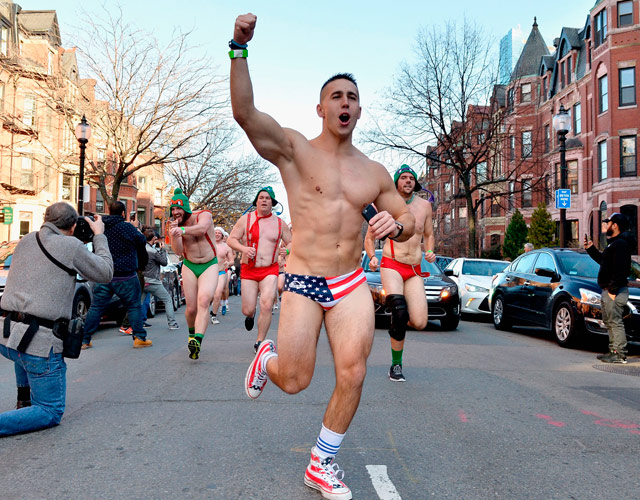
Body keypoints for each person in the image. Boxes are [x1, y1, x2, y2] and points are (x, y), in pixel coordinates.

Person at [231, 13, 415, 500]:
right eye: (337, 95)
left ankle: (320, 464)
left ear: (359, 110)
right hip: (306, 278)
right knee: (295, 380)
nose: (346, 103)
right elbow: (245, 113)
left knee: (353, 372)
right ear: (321, 107)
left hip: (350, 281)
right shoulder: (293, 150)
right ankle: (267, 359)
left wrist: (394, 223)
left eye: (353, 97)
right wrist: (238, 48)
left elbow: (409, 218)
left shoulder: (373, 171)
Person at [0, 202, 112, 436]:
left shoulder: (26, 240)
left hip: (6, 336)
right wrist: (99, 236)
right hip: (39, 343)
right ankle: (27, 407)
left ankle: (24, 400)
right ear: (72, 225)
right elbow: (104, 273)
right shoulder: (70, 246)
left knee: (22, 353)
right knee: (50, 410)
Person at [364, 164, 435, 382]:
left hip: (414, 269)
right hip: (391, 264)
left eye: (411, 178)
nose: (408, 181)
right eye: (403, 178)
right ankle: (396, 365)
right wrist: (372, 256)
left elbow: (429, 235)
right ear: (396, 182)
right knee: (400, 310)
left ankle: (397, 322)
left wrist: (430, 250)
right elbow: (369, 238)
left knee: (421, 322)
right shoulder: (387, 205)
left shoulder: (425, 206)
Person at [227, 187, 292, 352]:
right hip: (249, 269)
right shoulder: (245, 220)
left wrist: (288, 250)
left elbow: (291, 242)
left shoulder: (279, 223)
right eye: (261, 197)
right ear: (256, 201)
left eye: (268, 198)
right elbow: (231, 239)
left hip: (270, 269)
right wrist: (243, 249)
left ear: (273, 203)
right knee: (248, 309)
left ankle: (259, 341)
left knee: (267, 304)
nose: (264, 200)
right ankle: (250, 315)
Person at [82, 201, 152, 349]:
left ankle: (85, 339)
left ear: (109, 210)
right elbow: (142, 241)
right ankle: (139, 337)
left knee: (96, 307)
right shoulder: (127, 227)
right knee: (133, 306)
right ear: (123, 213)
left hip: (104, 274)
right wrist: (136, 228)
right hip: (126, 275)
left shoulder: (100, 227)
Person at [168, 188, 218, 360]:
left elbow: (202, 229)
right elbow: (179, 251)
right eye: (173, 209)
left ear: (186, 208)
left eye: (178, 209)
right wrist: (174, 234)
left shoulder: (203, 215)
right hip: (189, 265)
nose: (175, 213)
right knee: (191, 309)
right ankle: (191, 334)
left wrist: (182, 231)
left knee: (204, 300)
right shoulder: (176, 226)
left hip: (209, 264)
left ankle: (197, 340)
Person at [585, 213, 633, 364]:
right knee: (610, 321)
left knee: (615, 321)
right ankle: (613, 351)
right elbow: (604, 262)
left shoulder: (621, 244)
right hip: (609, 290)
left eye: (608, 222)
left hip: (615, 291)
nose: (606, 225)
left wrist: (612, 291)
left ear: (615, 225)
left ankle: (619, 354)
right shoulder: (614, 244)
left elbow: (621, 270)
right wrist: (591, 249)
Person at [142, 229, 180, 330]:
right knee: (167, 299)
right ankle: (172, 323)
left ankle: (134, 324)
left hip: (142, 280)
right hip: (152, 280)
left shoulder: (141, 249)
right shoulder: (153, 251)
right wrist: (163, 250)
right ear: (153, 239)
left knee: (138, 303)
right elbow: (164, 262)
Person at [210, 227, 234, 325]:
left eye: (219, 233)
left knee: (218, 293)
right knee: (208, 295)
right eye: (215, 232)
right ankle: (207, 311)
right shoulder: (208, 244)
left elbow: (232, 260)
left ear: (222, 235)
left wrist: (228, 263)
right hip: (209, 273)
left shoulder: (227, 247)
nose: (217, 234)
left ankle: (214, 315)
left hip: (221, 272)